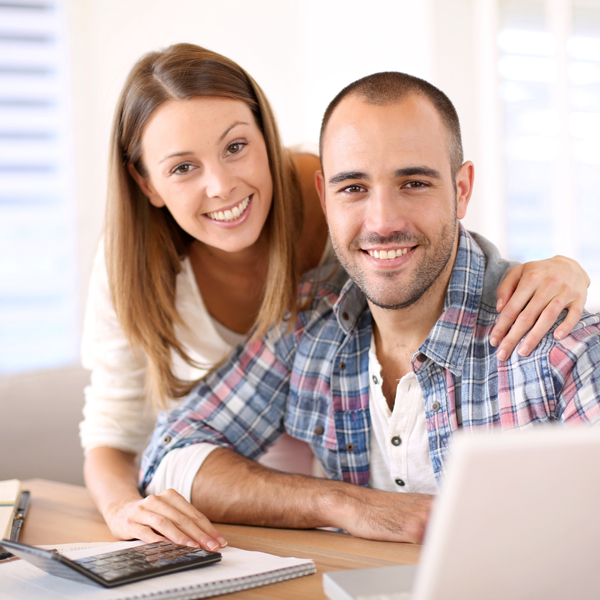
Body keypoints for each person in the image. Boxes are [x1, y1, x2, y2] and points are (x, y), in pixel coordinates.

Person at [81, 43, 588, 549]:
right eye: (353, 189)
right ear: (327, 198)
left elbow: (439, 263)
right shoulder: (309, 321)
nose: (221, 186)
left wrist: (565, 269)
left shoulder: (561, 351)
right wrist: (342, 502)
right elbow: (152, 445)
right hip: (281, 501)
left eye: (413, 182)